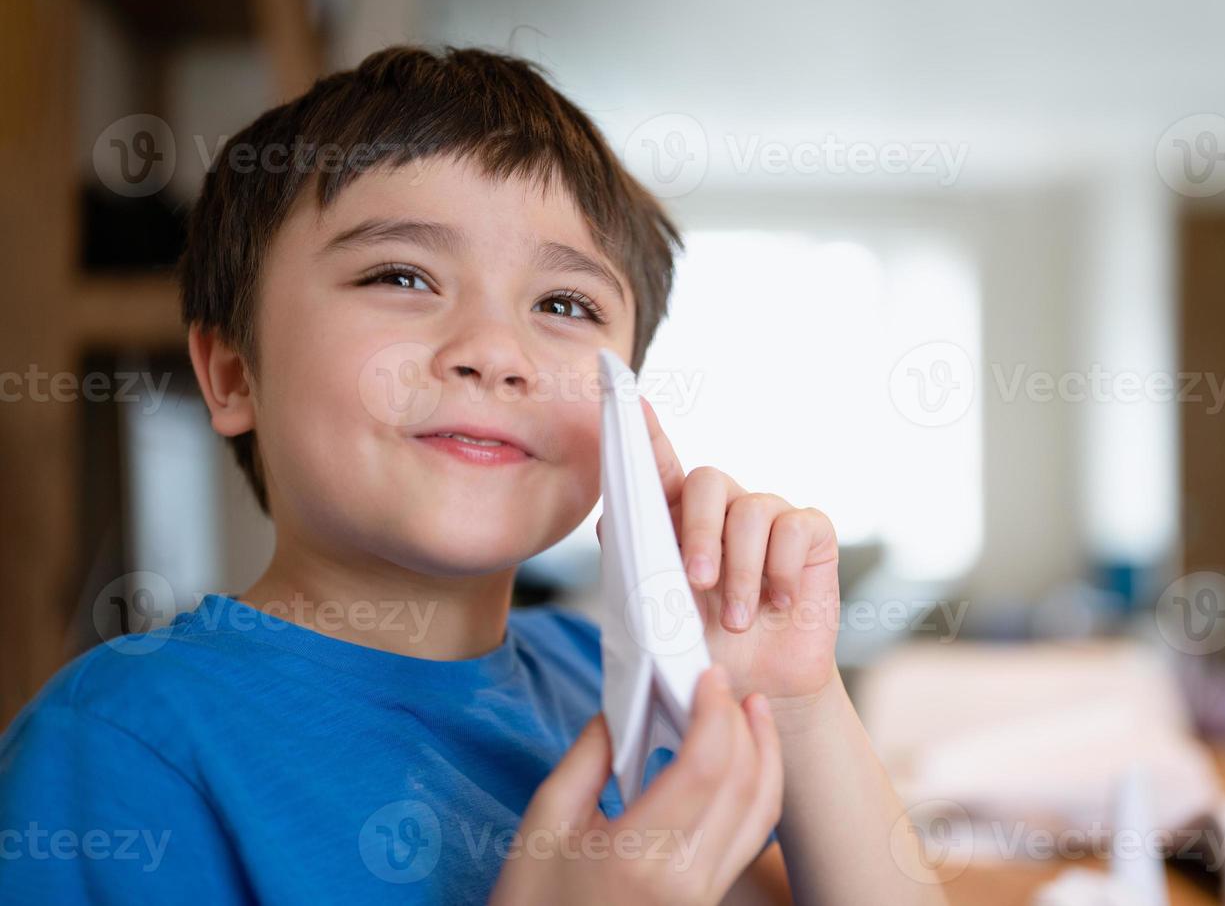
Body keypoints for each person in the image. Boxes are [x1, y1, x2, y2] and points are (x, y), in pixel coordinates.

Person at [0, 46, 942, 904]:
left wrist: (798, 695)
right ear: (235, 373)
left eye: (565, 304)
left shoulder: (615, 678)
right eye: (401, 277)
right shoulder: (121, 749)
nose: (495, 352)